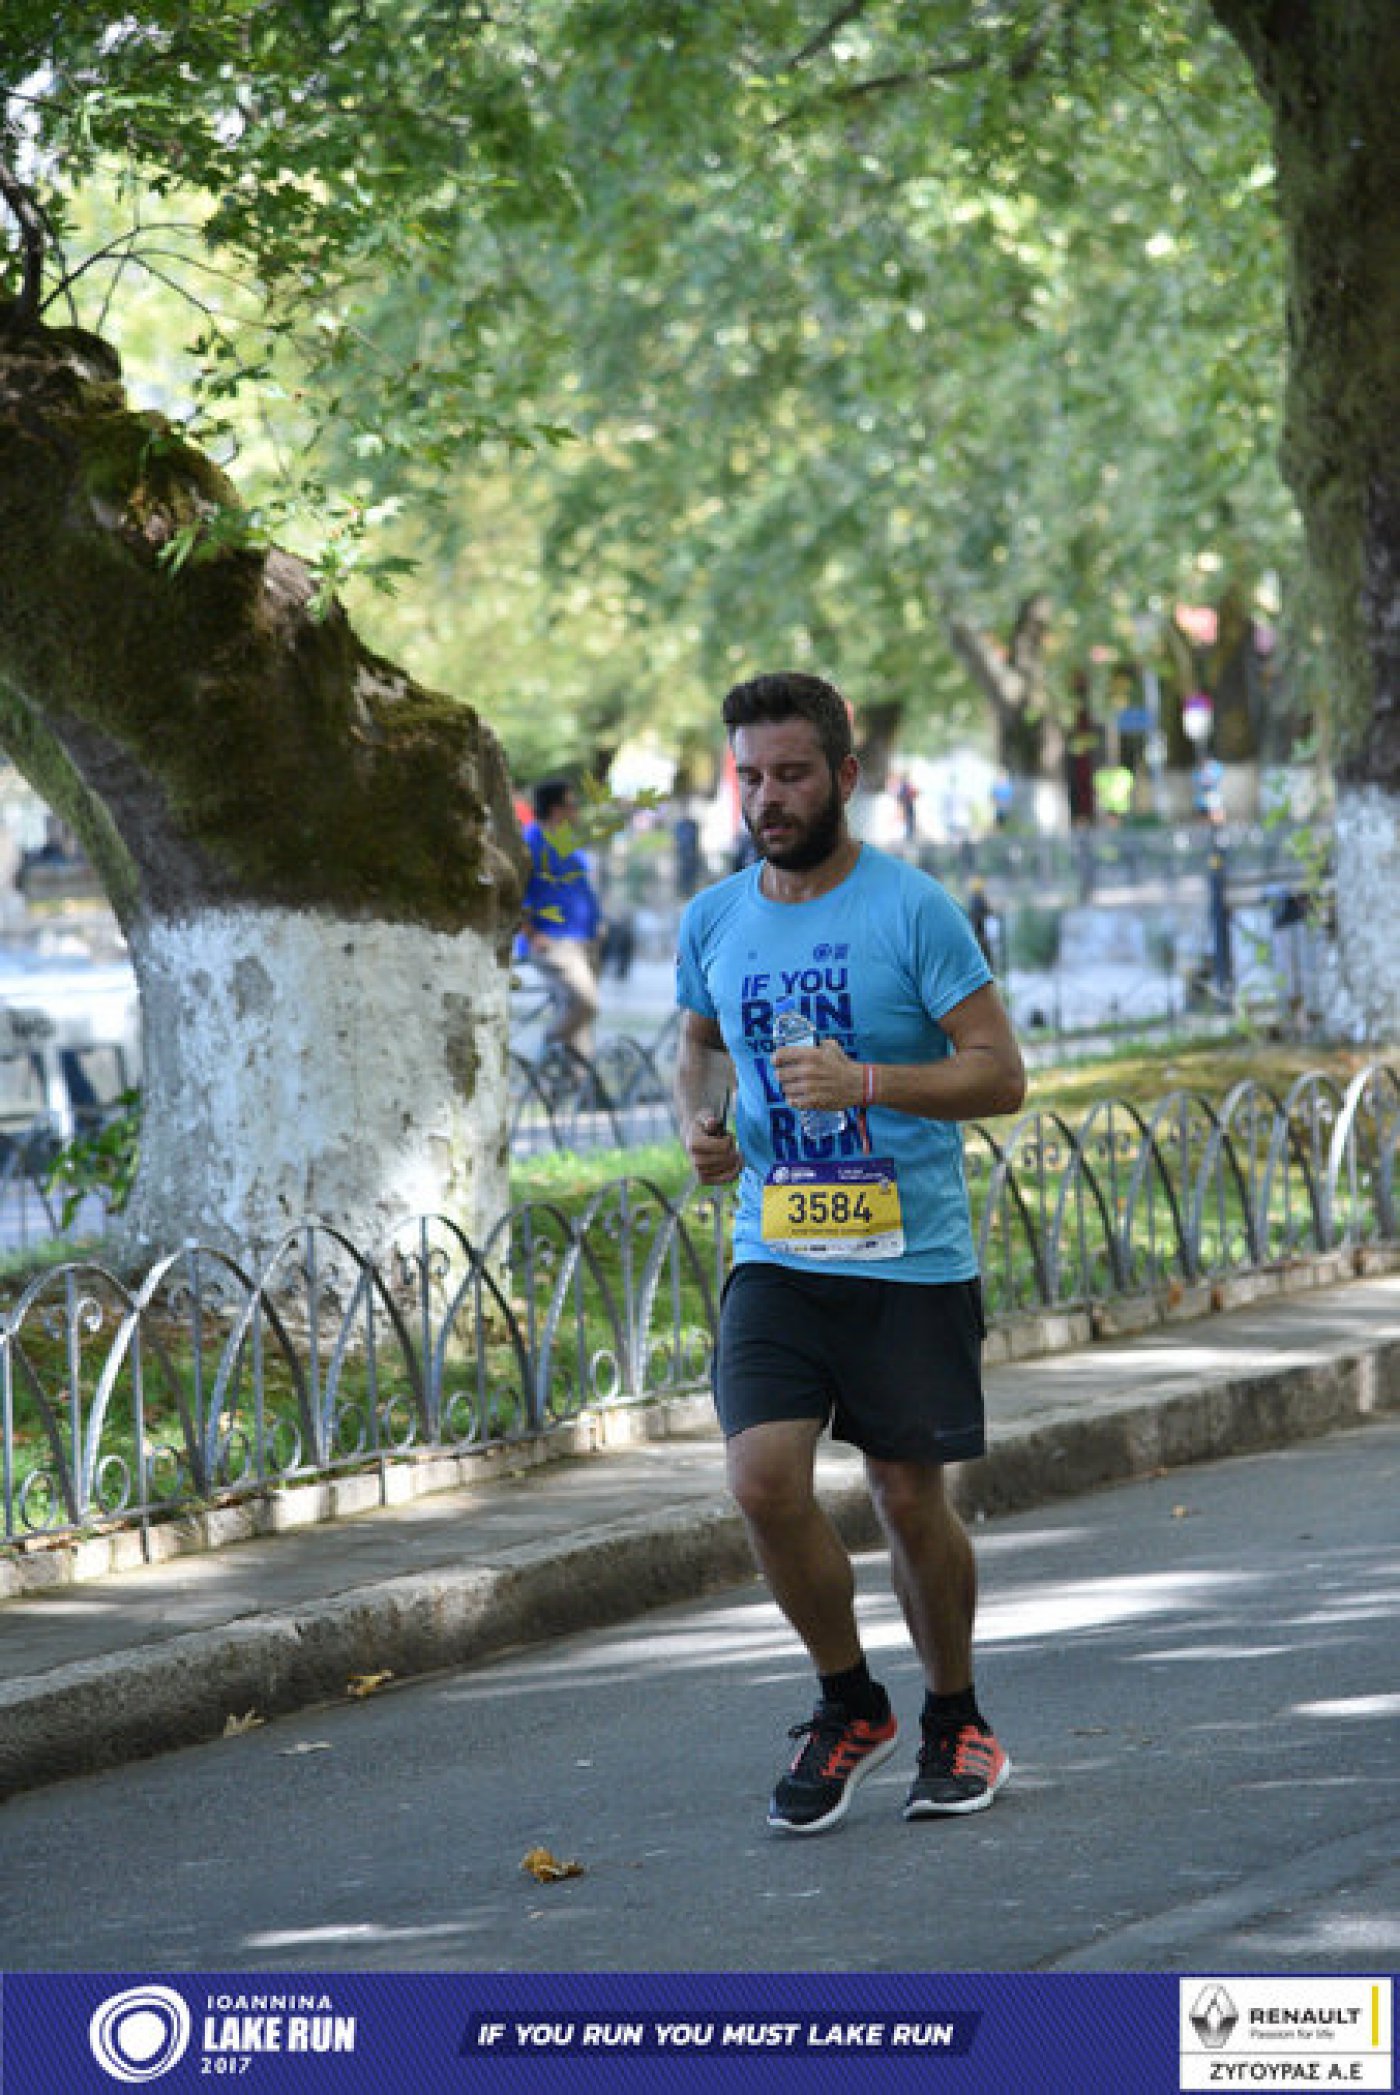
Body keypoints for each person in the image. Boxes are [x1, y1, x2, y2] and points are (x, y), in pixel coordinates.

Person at [674, 672, 1026, 1837]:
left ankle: (955, 1718)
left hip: (907, 1255)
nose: (765, 798)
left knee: (905, 1497)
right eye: (748, 776)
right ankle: (848, 1704)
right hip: (775, 1248)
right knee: (761, 1480)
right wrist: (699, 1122)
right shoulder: (712, 918)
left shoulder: (911, 911)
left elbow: (999, 1074)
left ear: (843, 777)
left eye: (789, 774)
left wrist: (867, 1080)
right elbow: (697, 1040)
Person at [518, 780, 602, 1058]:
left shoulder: (565, 840)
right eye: (572, 805)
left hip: (584, 939)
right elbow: (516, 895)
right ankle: (546, 1052)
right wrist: (532, 935)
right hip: (554, 942)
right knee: (584, 1002)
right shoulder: (530, 843)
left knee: (581, 1022)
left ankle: (577, 1077)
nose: (576, 810)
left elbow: (579, 886)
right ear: (556, 809)